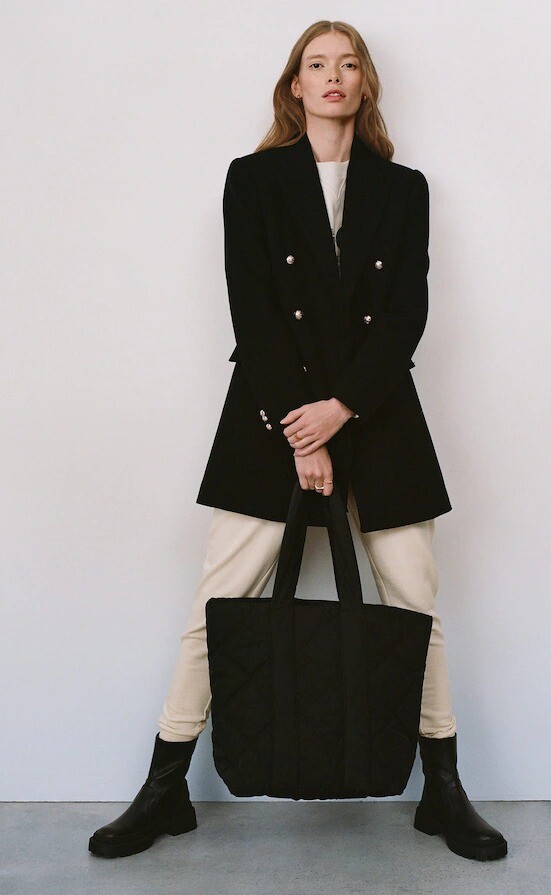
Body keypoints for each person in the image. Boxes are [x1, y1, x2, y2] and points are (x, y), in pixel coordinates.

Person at [88, 20, 507, 863]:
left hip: (378, 416)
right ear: (294, 85)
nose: (333, 76)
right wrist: (301, 428)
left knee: (415, 608)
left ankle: (444, 788)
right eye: (316, 64)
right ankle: (164, 787)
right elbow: (255, 311)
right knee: (217, 603)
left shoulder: (404, 188)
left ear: (364, 84)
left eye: (348, 64)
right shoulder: (253, 180)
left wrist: (341, 409)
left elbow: (406, 313)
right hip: (271, 420)